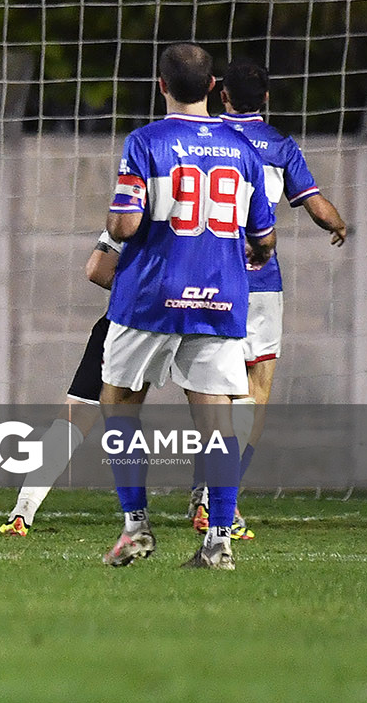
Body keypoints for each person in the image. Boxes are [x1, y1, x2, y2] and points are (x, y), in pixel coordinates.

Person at [99, 42, 276, 571]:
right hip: (220, 299)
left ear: (162, 85)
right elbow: (264, 237)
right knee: (217, 422)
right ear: (212, 86)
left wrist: (118, 223)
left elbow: (124, 225)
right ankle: (218, 541)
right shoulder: (243, 149)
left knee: (118, 402)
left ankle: (135, 527)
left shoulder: (146, 141)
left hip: (152, 295)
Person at [180, 59, 350, 535]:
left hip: (202, 276)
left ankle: (209, 489)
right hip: (258, 283)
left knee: (210, 391)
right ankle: (220, 496)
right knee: (254, 395)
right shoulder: (279, 146)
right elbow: (316, 206)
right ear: (267, 99)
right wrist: (337, 223)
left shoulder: (199, 138)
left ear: (220, 94)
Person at [0, 232, 120, 536]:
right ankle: (216, 511)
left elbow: (96, 269)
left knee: (77, 414)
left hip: (131, 321)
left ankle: (24, 508)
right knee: (220, 407)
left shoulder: (138, 193)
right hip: (202, 319)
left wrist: (142, 289)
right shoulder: (228, 193)